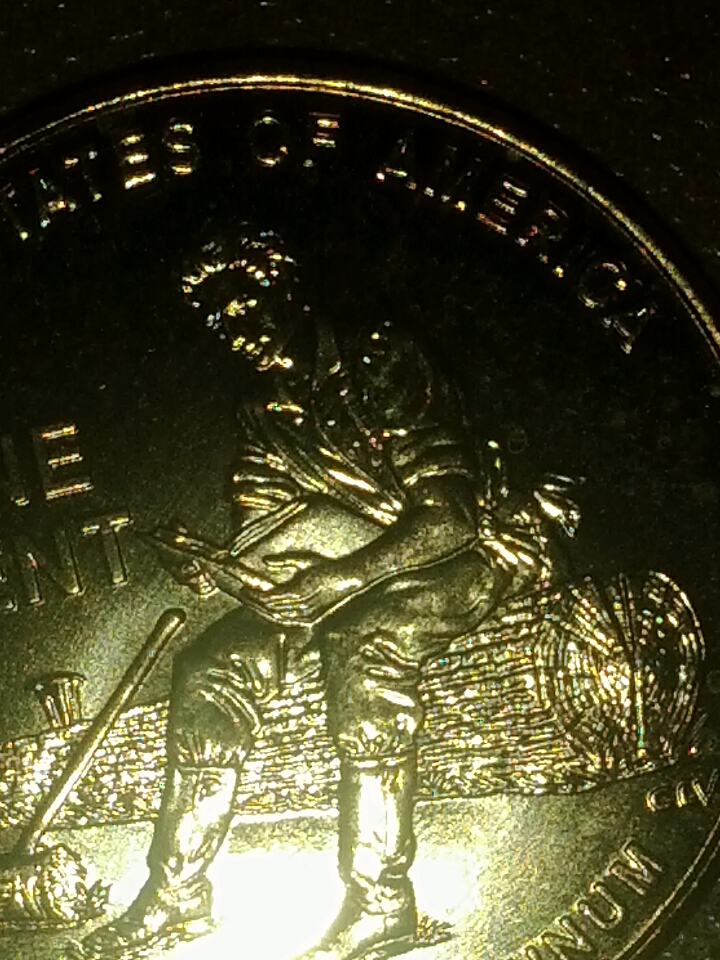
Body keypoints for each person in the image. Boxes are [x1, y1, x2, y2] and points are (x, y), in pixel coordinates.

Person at [77, 229, 704, 960]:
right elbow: (270, 522)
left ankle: (381, 902)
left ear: (285, 288)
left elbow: (450, 515)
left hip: (470, 550)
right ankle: (176, 894)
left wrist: (339, 579)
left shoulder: (378, 359)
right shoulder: (264, 411)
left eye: (241, 302)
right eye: (216, 316)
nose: (232, 327)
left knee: (364, 644)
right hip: (341, 565)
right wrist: (221, 567)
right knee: (208, 667)